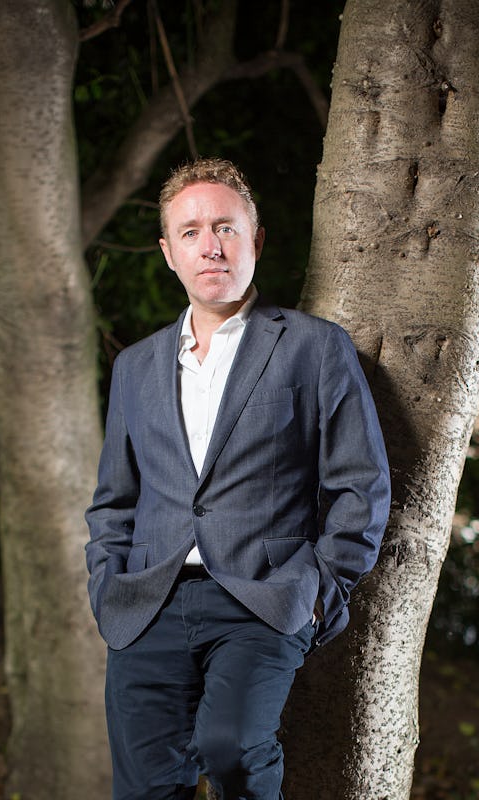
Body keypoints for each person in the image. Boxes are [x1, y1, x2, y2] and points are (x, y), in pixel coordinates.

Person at [85, 157, 390, 800]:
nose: (211, 245)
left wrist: (321, 588)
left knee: (231, 751)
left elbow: (360, 484)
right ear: (169, 252)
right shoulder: (136, 367)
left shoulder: (314, 346)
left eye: (225, 226)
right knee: (143, 788)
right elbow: (114, 498)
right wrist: (106, 580)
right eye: (191, 231)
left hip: (261, 596)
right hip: (146, 602)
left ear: (255, 240)